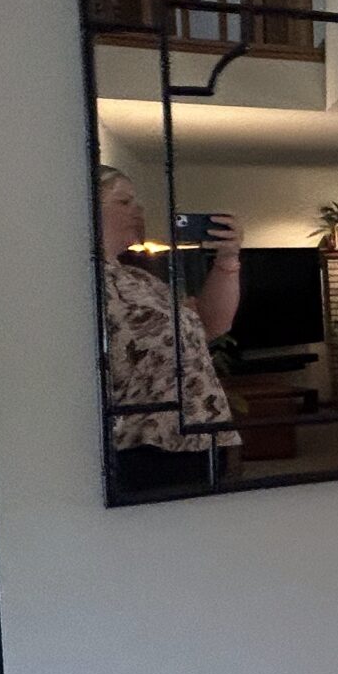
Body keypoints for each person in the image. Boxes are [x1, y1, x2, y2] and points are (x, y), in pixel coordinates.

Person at [97, 165, 244, 494]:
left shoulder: (140, 280)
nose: (138, 210)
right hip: (141, 447)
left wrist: (228, 257)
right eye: (124, 202)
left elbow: (213, 323)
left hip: (196, 438)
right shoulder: (79, 280)